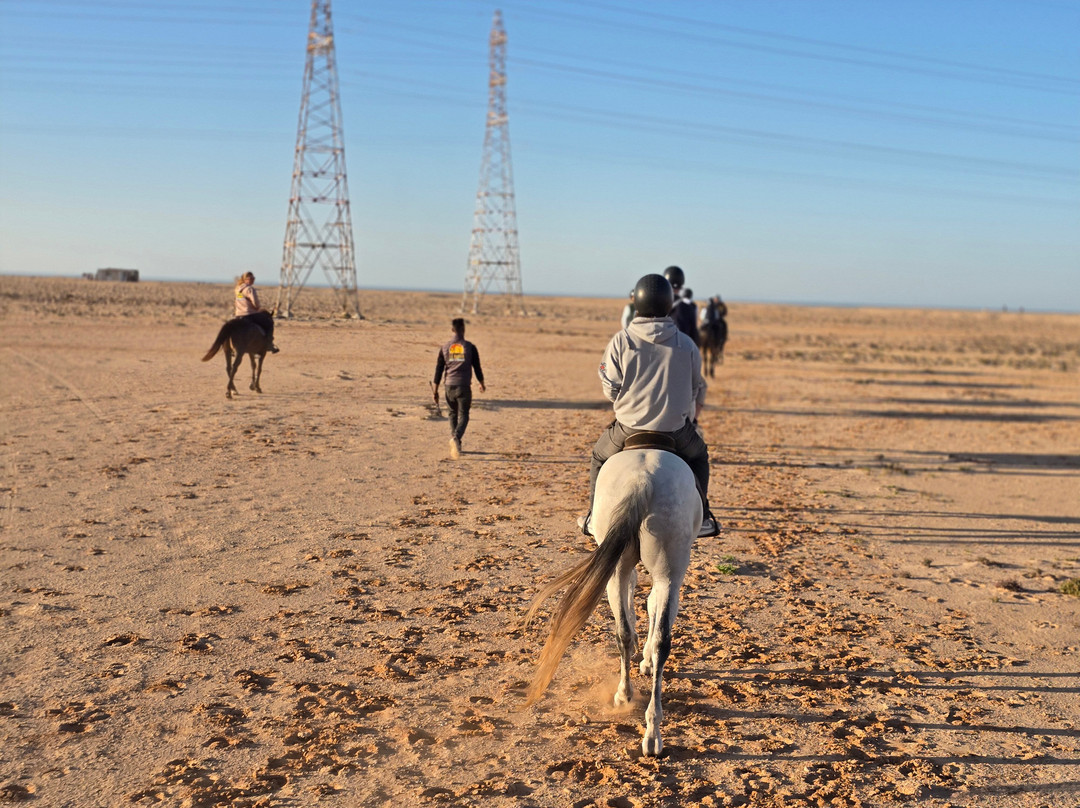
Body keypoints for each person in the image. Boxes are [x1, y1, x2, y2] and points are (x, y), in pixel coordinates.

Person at [580, 273, 718, 538]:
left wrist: (626, 398)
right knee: (699, 456)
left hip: (628, 428)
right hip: (675, 430)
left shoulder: (621, 341)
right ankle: (703, 517)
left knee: (598, 456)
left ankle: (591, 517)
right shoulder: (687, 344)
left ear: (637, 304)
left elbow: (610, 387)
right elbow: (694, 389)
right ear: (669, 303)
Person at [432, 318, 485, 459]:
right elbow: (477, 367)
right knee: (464, 415)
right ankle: (456, 438)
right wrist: (481, 382)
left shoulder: (445, 347)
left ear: (452, 330)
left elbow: (439, 369)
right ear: (464, 329)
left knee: (452, 414)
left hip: (449, 386)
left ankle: (456, 442)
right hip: (464, 387)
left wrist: (436, 390)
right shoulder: (470, 347)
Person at [234, 272, 279, 353]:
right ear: (245, 280)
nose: (253, 280)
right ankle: (269, 344)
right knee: (269, 323)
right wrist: (258, 308)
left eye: (253, 278)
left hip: (238, 315)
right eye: (251, 278)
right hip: (249, 314)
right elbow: (255, 303)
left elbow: (239, 301)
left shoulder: (238, 289)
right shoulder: (249, 289)